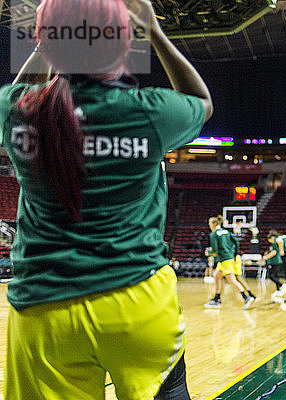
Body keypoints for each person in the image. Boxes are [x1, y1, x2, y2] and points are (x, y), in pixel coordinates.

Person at [1, 0, 213, 397]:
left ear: (46, 41)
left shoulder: (15, 113)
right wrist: (156, 33)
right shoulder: (149, 112)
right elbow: (202, 103)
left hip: (44, 308)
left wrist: (48, 41)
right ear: (124, 41)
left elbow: (23, 93)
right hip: (136, 301)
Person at [205, 216, 254, 309]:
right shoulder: (227, 232)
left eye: (210, 224)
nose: (209, 226)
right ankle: (217, 298)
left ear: (214, 224)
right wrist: (235, 254)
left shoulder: (213, 234)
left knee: (231, 279)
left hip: (224, 259)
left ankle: (246, 297)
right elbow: (236, 242)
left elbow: (215, 250)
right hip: (228, 258)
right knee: (216, 276)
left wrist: (209, 253)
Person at [232, 233, 257, 305]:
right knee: (238, 278)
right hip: (235, 258)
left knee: (237, 278)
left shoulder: (231, 243)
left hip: (234, 259)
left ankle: (247, 295)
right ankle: (250, 294)